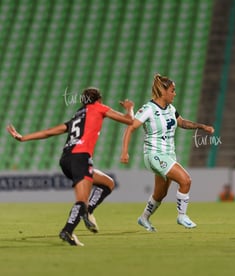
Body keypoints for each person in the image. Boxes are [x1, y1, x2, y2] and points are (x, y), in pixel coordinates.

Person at [7, 87, 134, 246]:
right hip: (80, 157)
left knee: (108, 183)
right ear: (99, 100)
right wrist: (129, 108)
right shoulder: (99, 108)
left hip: (66, 159)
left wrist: (23, 137)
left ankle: (86, 212)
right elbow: (130, 121)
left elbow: (50, 131)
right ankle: (68, 230)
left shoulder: (77, 116)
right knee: (81, 201)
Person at [120, 73, 214, 232]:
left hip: (169, 154)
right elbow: (131, 128)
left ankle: (144, 218)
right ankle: (182, 216)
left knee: (160, 193)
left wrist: (202, 126)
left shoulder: (171, 109)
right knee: (186, 180)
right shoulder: (148, 109)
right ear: (163, 92)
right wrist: (124, 152)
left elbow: (182, 122)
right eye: (172, 90)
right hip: (154, 154)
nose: (174, 93)